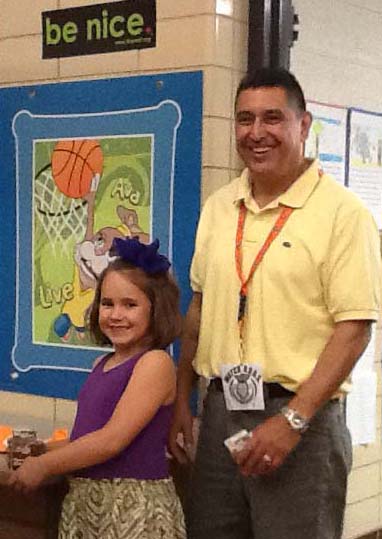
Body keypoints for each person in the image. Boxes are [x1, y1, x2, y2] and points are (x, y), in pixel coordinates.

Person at [169, 67, 381, 539]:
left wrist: (292, 421)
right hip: (221, 410)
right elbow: (199, 309)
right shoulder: (219, 207)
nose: (257, 133)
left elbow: (354, 330)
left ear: (303, 126)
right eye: (245, 119)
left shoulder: (343, 215)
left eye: (272, 118)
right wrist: (182, 400)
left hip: (301, 419)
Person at [9, 237, 186, 539]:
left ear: (156, 310)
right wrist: (40, 450)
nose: (115, 315)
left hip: (133, 511)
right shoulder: (99, 365)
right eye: (107, 303)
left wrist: (45, 466)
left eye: (130, 305)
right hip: (86, 506)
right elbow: (86, 439)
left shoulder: (155, 364)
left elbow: (111, 441)